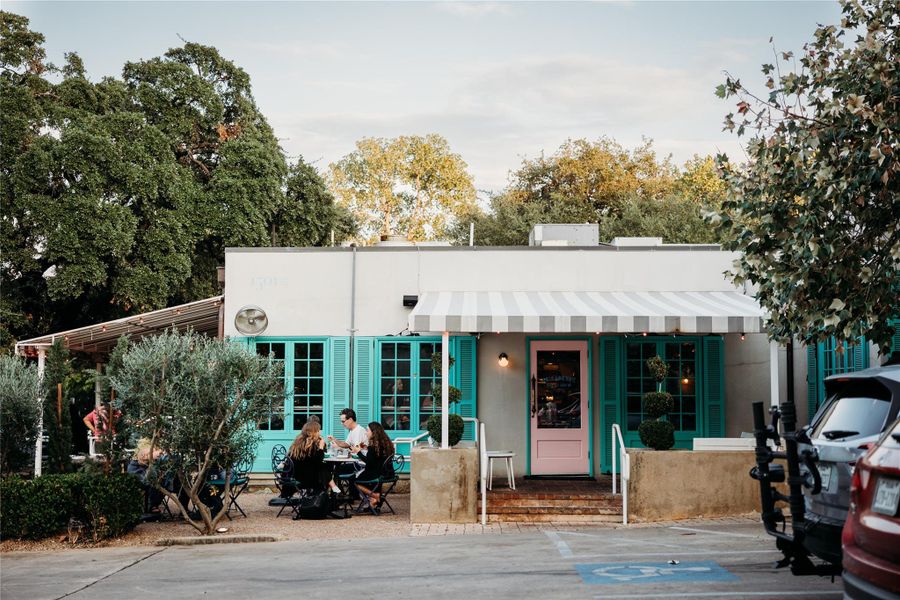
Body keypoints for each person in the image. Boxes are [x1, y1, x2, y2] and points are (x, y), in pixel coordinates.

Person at [288, 420, 340, 494]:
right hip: (306, 478)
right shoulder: (310, 444)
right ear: (313, 432)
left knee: (324, 467)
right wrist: (321, 446)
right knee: (323, 467)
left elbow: (312, 461)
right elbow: (318, 461)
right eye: (318, 431)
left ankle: (332, 487)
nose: (320, 432)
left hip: (297, 474)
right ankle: (331, 488)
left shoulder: (299, 442)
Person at [351, 422, 395, 507]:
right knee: (366, 475)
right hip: (388, 473)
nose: (366, 432)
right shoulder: (386, 444)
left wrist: (358, 452)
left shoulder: (373, 446)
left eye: (367, 430)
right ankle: (374, 500)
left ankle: (375, 496)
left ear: (373, 432)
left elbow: (368, 462)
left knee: (354, 481)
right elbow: (376, 458)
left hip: (377, 474)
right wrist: (365, 448)